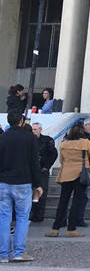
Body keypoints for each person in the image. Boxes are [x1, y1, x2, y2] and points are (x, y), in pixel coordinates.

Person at [0, 111, 42, 262]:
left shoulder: (2, 137)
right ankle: (19, 252)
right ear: (21, 121)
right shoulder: (29, 137)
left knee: (4, 218)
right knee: (22, 218)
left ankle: (3, 254)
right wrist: (38, 184)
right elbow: (34, 163)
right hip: (23, 181)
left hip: (3, 182)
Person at [45, 123, 90, 238]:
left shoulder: (64, 144)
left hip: (66, 174)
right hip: (81, 175)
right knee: (76, 202)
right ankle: (71, 229)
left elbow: (61, 160)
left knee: (63, 202)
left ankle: (55, 228)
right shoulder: (86, 143)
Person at [29, 123, 57, 222]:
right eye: (32, 129)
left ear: (40, 129)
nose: (34, 131)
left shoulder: (47, 140)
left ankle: (38, 215)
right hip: (30, 171)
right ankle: (31, 213)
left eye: (36, 129)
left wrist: (46, 167)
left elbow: (53, 154)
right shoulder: (29, 140)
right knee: (30, 194)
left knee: (40, 194)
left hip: (42, 171)